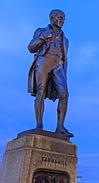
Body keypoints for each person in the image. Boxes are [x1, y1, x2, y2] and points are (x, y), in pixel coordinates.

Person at [28, 9, 73, 137]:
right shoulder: (41, 31)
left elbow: (65, 59)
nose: (62, 20)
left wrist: (65, 74)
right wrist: (43, 37)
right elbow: (31, 48)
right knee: (40, 92)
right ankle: (39, 125)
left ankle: (60, 127)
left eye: (63, 18)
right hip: (43, 61)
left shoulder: (66, 40)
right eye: (59, 17)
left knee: (64, 94)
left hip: (58, 66)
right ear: (52, 18)